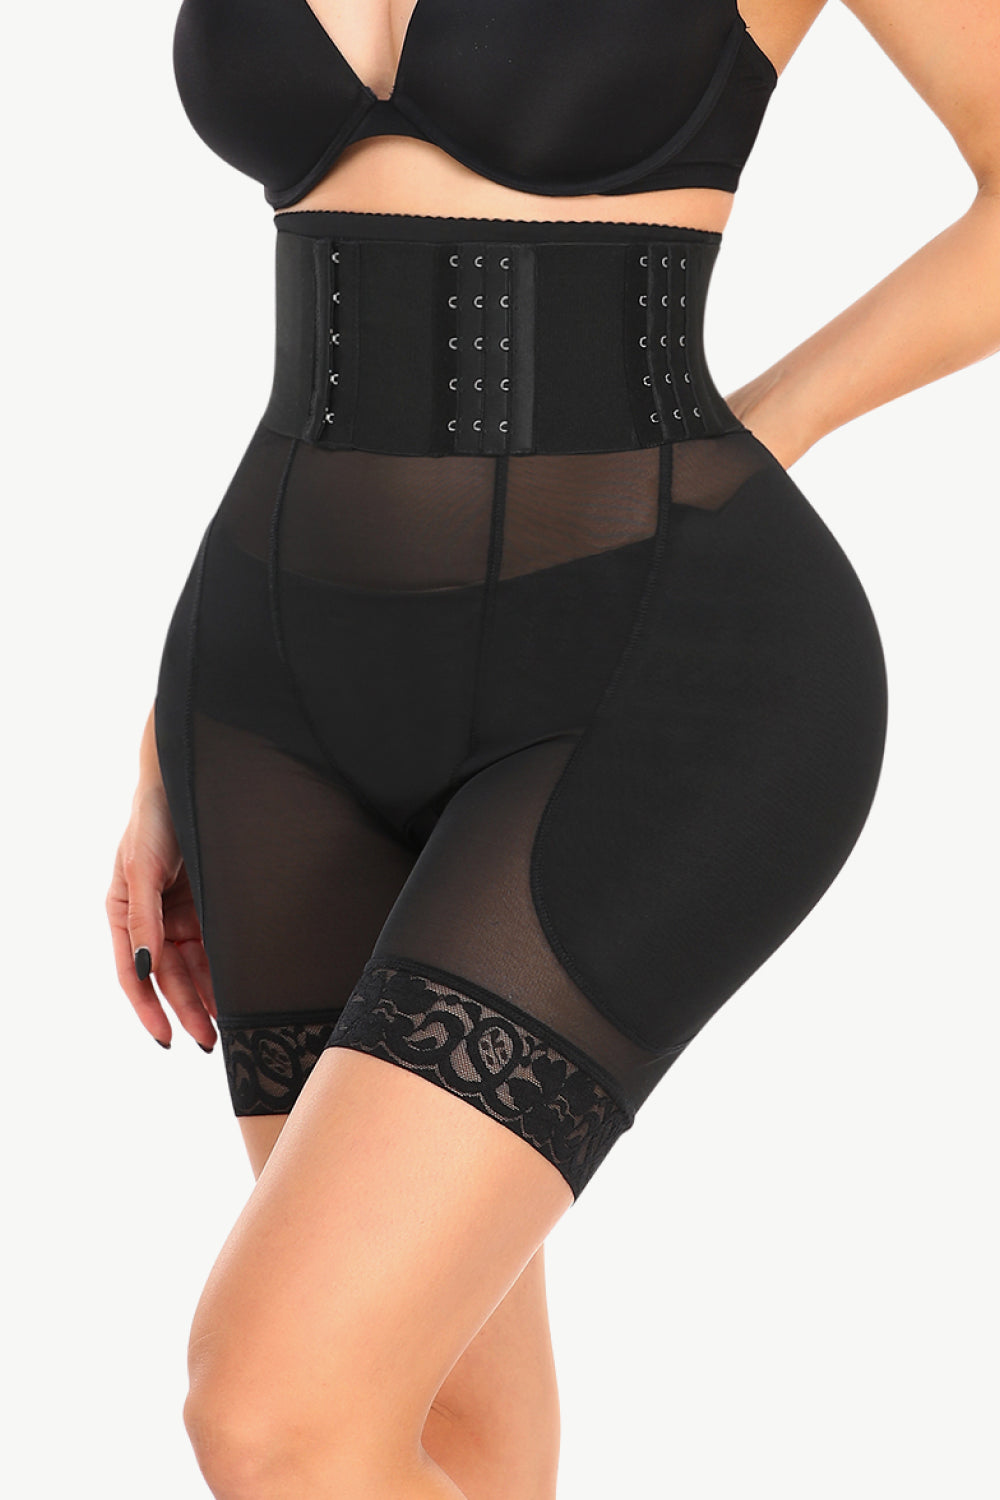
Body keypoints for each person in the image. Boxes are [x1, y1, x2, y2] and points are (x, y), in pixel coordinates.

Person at [105, 3, 1000, 1497]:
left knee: (278, 1413)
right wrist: (161, 748)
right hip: (270, 693)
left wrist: (769, 424)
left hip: (660, 663)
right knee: (438, 1427)